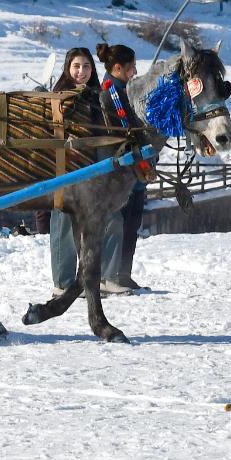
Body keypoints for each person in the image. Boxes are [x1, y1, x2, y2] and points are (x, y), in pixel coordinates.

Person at [47, 47, 127, 296]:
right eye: (76, 66)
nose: (81, 72)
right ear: (68, 68)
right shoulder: (58, 97)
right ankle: (63, 282)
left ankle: (107, 276)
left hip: (96, 170)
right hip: (65, 168)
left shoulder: (99, 97)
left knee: (111, 219)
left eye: (86, 66)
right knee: (65, 224)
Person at [97, 43, 149, 292]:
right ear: (118, 68)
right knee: (121, 222)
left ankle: (123, 272)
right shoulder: (111, 92)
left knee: (132, 223)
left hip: (133, 167)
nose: (135, 72)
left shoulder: (123, 90)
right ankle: (113, 274)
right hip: (121, 167)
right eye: (131, 68)